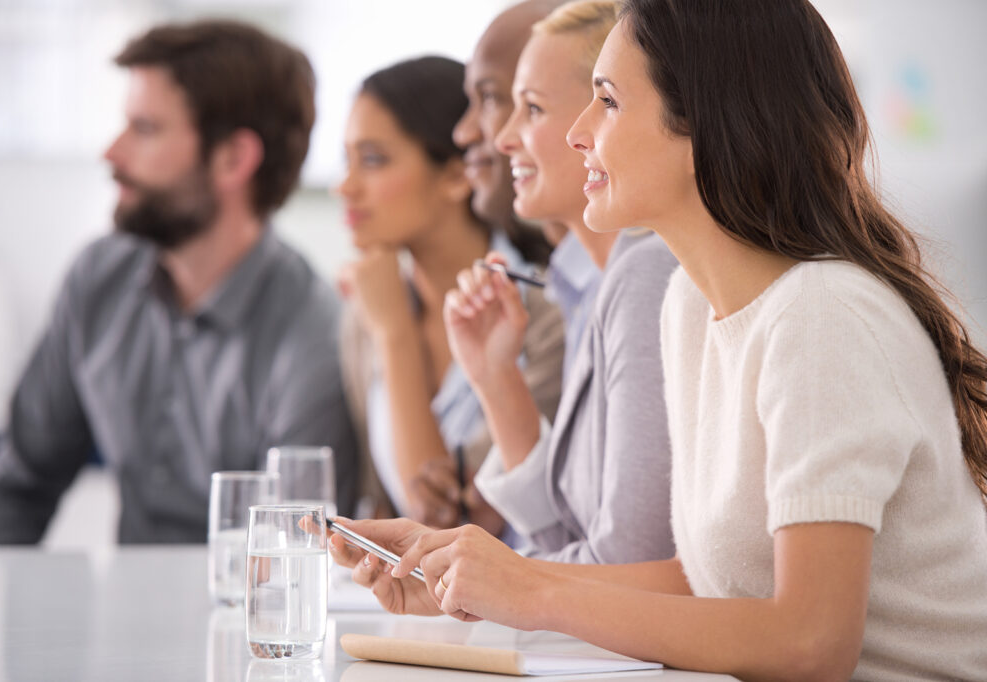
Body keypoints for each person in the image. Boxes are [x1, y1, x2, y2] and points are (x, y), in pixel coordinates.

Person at [330, 1, 987, 679]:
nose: (580, 132)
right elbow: (705, 585)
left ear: (703, 122)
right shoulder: (689, 309)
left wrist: (531, 590)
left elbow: (811, 643)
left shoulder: (824, 316)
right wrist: (469, 581)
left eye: (608, 102)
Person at [0, 20, 358, 544]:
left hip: (243, 622)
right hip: (118, 618)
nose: (113, 153)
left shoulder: (314, 332)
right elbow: (18, 487)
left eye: (145, 129)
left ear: (233, 159)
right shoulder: (97, 279)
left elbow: (301, 551)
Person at [446, 0, 677, 563]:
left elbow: (625, 565)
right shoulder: (584, 288)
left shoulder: (649, 278)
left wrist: (485, 580)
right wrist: (496, 378)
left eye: (531, 108)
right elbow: (571, 538)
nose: (502, 140)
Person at [335, 56, 565, 530]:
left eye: (374, 159)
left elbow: (445, 519)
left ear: (458, 175)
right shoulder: (366, 314)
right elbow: (378, 504)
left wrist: (396, 335)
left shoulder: (545, 310)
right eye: (347, 160)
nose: (346, 186)